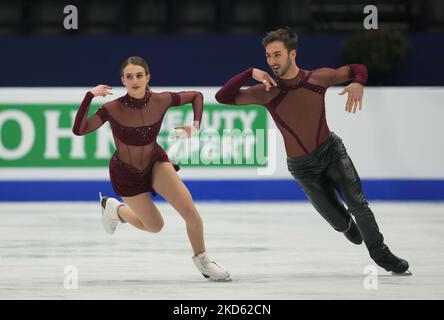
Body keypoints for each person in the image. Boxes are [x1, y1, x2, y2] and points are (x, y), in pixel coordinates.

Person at [215, 28, 410, 274]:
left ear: (292, 54)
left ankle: (381, 254)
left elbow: (357, 68)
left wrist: (358, 83)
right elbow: (223, 97)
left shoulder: (318, 79)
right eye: (268, 56)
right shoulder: (267, 92)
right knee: (340, 221)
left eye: (277, 55)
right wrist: (249, 72)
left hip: (332, 153)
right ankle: (347, 226)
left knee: (358, 204)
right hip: (303, 168)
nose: (272, 61)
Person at [72, 56, 230, 281]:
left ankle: (204, 262)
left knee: (191, 213)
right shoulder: (112, 108)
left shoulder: (162, 99)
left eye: (139, 75)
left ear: (148, 77)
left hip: (155, 162)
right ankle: (115, 209)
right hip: (126, 174)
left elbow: (197, 96)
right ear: (123, 81)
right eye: (129, 77)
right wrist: (89, 96)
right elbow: (80, 130)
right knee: (155, 226)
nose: (135, 80)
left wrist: (195, 127)